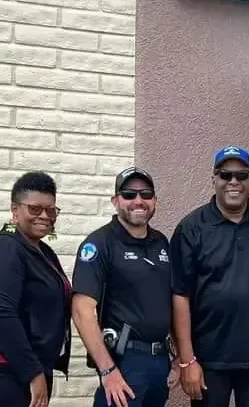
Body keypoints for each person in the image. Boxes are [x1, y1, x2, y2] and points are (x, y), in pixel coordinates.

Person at [170, 145, 249, 407]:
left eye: (241, 175)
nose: (233, 181)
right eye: (225, 175)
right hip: (209, 360)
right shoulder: (191, 227)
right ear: (214, 179)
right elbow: (180, 295)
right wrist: (187, 360)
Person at [0, 171, 72, 407]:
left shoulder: (41, 251)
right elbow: (0, 314)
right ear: (15, 210)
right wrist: (33, 373)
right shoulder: (6, 247)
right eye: (35, 209)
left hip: (26, 365)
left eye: (51, 210)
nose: (44, 216)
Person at [71, 167, 175, 407]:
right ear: (115, 201)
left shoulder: (161, 242)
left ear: (155, 201)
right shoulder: (99, 243)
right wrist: (107, 370)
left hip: (160, 360)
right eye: (129, 194)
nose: (138, 201)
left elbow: (172, 300)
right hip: (124, 360)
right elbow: (81, 310)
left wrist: (178, 357)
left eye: (146, 194)